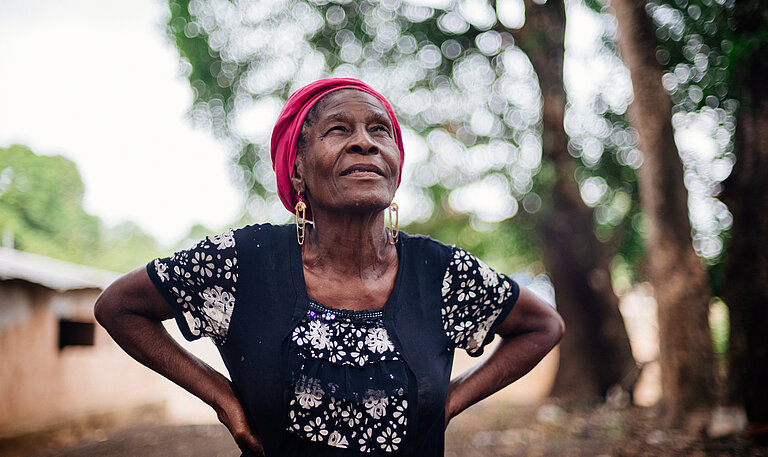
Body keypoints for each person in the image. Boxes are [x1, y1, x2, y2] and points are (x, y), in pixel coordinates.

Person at [95, 78, 564, 456]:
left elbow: (542, 325)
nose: (365, 143)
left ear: (397, 168)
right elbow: (118, 306)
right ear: (297, 169)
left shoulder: (440, 273)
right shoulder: (242, 263)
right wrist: (223, 400)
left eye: (380, 131)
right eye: (338, 130)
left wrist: (450, 401)